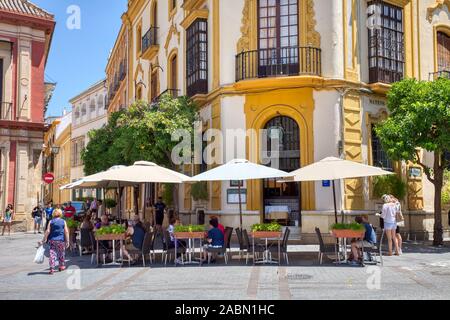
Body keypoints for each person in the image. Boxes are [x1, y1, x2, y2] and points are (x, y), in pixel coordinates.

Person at [42, 209, 69, 274]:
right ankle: (61, 266)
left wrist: (44, 239)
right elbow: (66, 231)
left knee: (52, 254)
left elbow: (48, 231)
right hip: (61, 240)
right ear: (60, 214)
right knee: (61, 253)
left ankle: (52, 268)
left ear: (53, 214)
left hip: (52, 240)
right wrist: (67, 241)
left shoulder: (51, 221)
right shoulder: (63, 221)